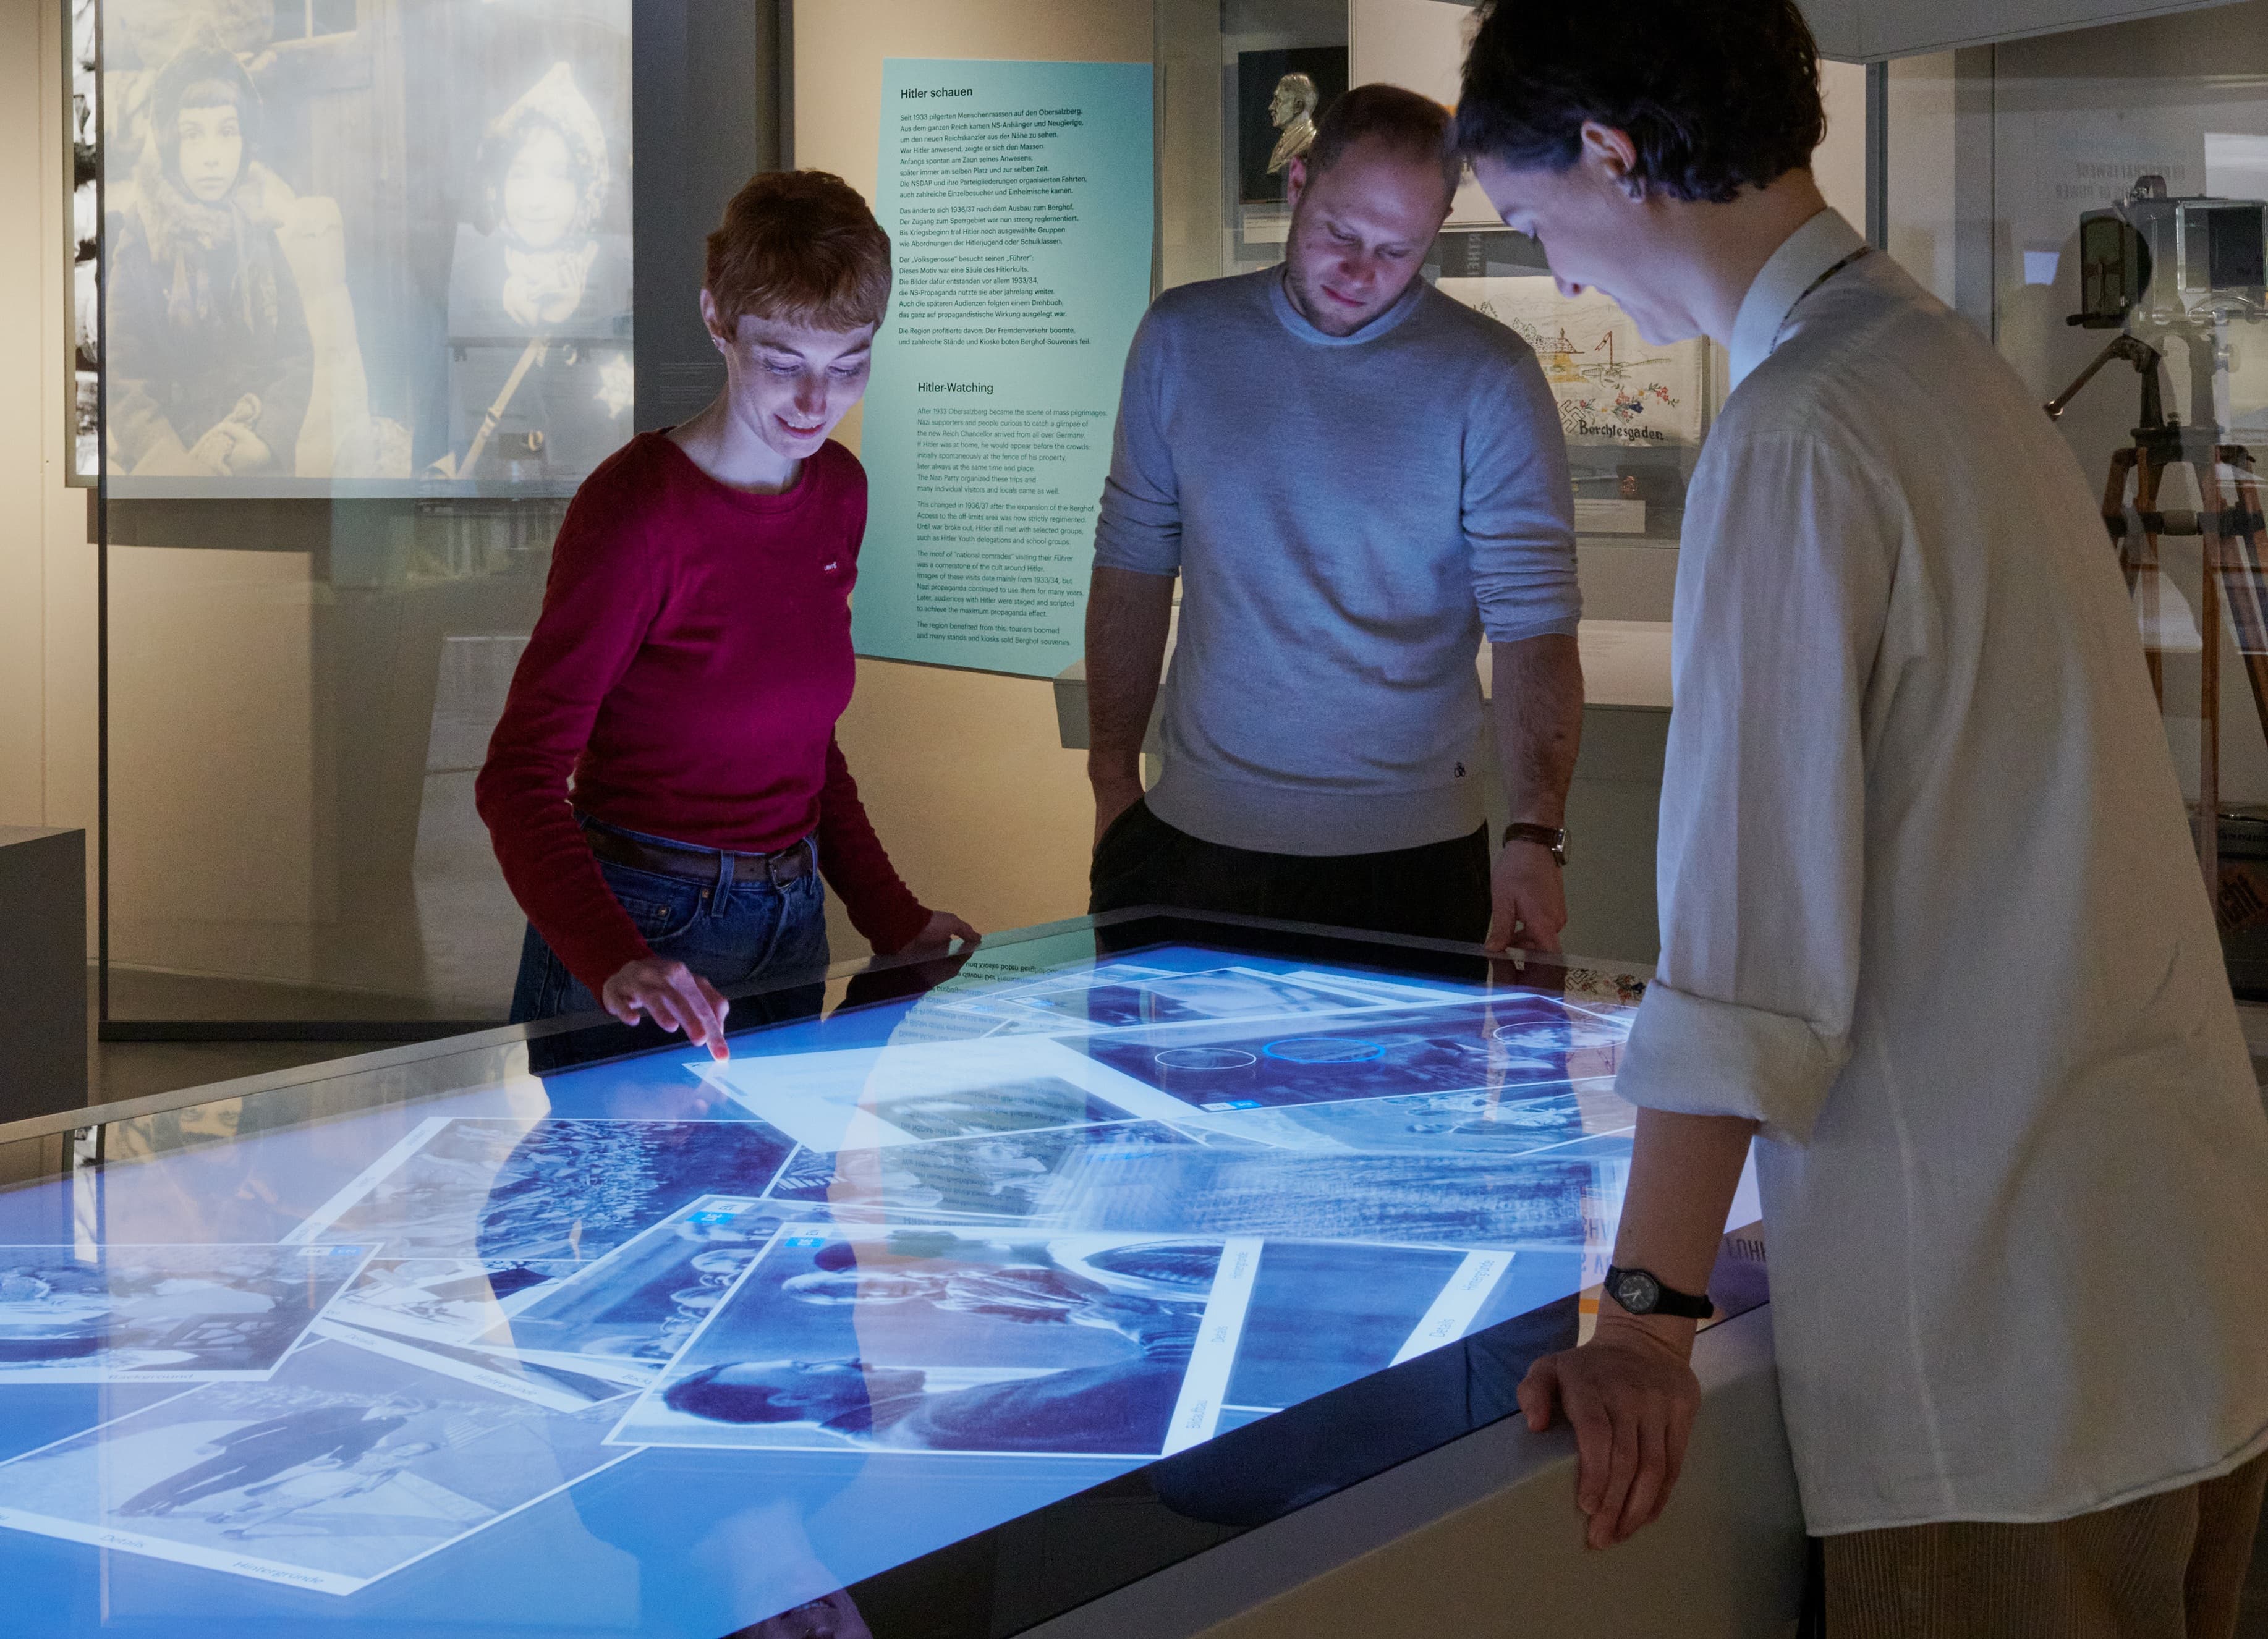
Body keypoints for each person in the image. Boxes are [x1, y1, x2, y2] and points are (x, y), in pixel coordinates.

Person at [1453, 4, 2268, 1631]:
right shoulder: (1933, 367)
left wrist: (1639, 1320)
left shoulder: (1799, 429)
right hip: (2167, 1301)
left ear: (1611, 155)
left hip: (1998, 1371)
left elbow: (1748, 948)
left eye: (1537, 216)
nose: (1554, 273)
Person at [478, 171, 977, 1057]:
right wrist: (615, 959)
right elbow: (517, 777)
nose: (815, 404)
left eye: (849, 364)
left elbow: (803, 745)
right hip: (643, 922)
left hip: (792, 920)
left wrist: (892, 918)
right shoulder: (636, 511)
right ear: (718, 320)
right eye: (784, 362)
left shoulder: (838, 493)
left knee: (782, 1194)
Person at [1085, 83, 1582, 951]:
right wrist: (1111, 783)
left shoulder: (1489, 377)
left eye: (1399, 252)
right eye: (1340, 235)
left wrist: (1534, 833)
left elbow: (1535, 622)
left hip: (1411, 857)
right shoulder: (1182, 338)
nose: (1360, 274)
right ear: (1297, 184)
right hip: (1192, 836)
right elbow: (1131, 562)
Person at [106, 32, 311, 478]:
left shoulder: (257, 229)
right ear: (170, 143)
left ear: (245, 142)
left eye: (227, 133)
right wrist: (171, 463)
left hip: (248, 445)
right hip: (170, 459)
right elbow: (124, 378)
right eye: (193, 136)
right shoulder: (143, 238)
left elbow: (295, 355)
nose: (213, 158)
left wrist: (265, 441)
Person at [442, 61, 635, 483]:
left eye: (558, 176)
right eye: (521, 174)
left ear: (586, 190)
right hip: (495, 500)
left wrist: (563, 328)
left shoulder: (619, 274)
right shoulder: (472, 273)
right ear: (496, 185)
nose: (536, 199)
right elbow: (470, 415)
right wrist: (518, 328)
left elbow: (608, 428)